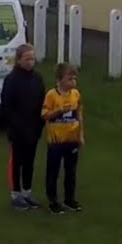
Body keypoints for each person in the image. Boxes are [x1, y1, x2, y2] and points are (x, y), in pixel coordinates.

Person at [1, 43, 46, 210]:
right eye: (27, 59)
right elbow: (6, 107)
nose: (30, 62)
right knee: (17, 162)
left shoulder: (37, 79)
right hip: (18, 131)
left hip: (34, 129)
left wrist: (39, 125)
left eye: (32, 59)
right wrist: (18, 127)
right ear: (19, 60)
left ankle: (27, 192)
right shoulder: (11, 80)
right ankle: (16, 194)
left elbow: (43, 102)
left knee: (29, 162)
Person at [41, 62, 85, 214]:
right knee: (53, 171)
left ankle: (69, 198)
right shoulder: (51, 95)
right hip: (56, 140)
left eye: (74, 79)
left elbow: (79, 114)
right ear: (60, 80)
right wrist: (58, 111)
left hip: (71, 138)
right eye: (69, 79)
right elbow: (45, 115)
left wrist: (81, 134)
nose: (73, 82)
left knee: (71, 171)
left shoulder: (76, 94)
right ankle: (52, 200)